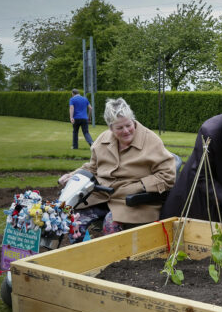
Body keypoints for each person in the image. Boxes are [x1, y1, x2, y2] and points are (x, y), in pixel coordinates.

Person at [59, 98, 176, 241]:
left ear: (133, 120)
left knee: (110, 224)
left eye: (128, 125)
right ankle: (83, 256)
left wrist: (138, 187)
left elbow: (168, 175)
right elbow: (92, 167)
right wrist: (72, 175)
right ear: (110, 128)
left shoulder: (151, 141)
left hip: (134, 202)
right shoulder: (102, 140)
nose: (126, 131)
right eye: (119, 128)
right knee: (73, 218)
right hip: (102, 196)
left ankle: (116, 263)